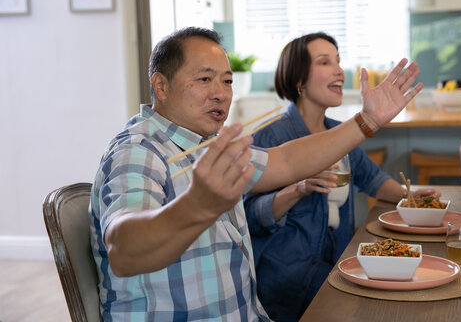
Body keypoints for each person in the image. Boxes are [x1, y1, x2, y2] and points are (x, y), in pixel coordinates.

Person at [89, 27, 422, 321]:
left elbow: (288, 162)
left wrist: (368, 121)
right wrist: (198, 206)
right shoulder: (139, 150)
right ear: (160, 86)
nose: (220, 92)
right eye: (204, 79)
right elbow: (124, 250)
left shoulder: (207, 144)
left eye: (227, 80)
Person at [243, 32, 439, 321]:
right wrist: (296, 189)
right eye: (325, 62)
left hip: (336, 268)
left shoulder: (339, 133)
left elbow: (371, 178)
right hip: (287, 283)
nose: (338, 70)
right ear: (299, 80)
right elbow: (250, 215)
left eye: (338, 61)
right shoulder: (270, 135)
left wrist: (409, 196)